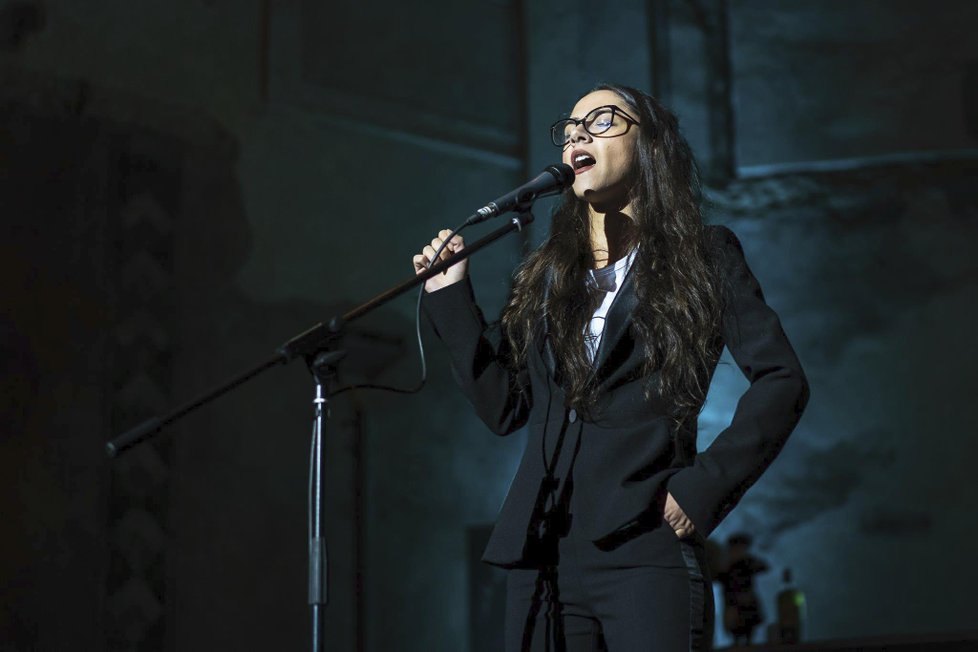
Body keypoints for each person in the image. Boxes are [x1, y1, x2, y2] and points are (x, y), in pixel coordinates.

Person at [412, 83, 810, 651]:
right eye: (570, 127)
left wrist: (700, 493)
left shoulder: (705, 256)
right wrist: (451, 299)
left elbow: (782, 379)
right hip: (542, 549)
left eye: (600, 120)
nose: (577, 133)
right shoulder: (549, 277)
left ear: (650, 143)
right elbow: (504, 407)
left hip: (642, 546)